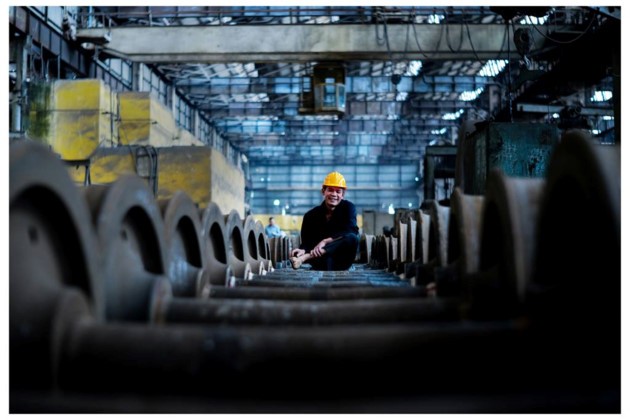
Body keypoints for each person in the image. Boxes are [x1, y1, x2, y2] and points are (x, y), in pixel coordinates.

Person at [290, 171, 359, 271]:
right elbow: (307, 242)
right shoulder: (310, 216)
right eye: (330, 190)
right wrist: (302, 250)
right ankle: (305, 256)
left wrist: (325, 241)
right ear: (323, 191)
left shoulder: (348, 208)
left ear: (343, 194)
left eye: (338, 191)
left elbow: (351, 231)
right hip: (320, 261)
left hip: (341, 261)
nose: (334, 194)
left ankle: (306, 257)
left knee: (352, 238)